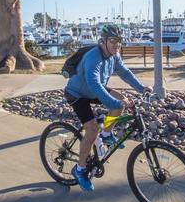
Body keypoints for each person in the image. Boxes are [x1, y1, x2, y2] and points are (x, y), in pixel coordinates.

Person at [64, 24, 153, 191]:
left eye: (119, 40)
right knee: (91, 130)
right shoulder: (93, 56)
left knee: (122, 99)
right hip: (77, 94)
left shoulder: (115, 55)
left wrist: (142, 88)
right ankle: (80, 169)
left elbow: (125, 73)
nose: (117, 44)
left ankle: (106, 134)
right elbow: (94, 83)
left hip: (94, 90)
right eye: (113, 40)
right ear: (103, 41)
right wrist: (113, 103)